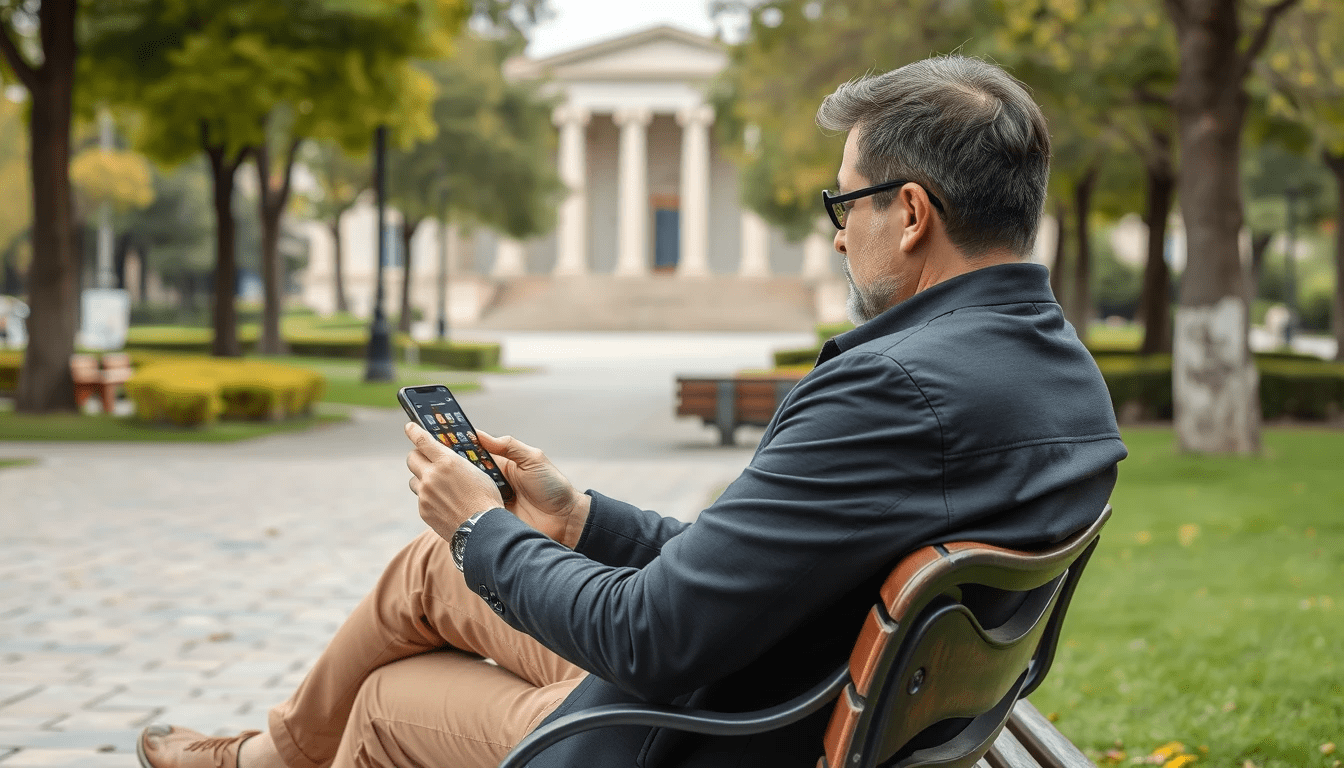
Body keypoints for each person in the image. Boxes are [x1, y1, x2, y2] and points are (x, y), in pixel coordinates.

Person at [136, 55, 1127, 768]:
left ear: (909, 214)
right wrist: (576, 519)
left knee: (399, 683)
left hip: (700, 731)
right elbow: (762, 561)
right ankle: (260, 756)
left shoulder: (891, 394)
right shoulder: (1058, 374)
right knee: (430, 568)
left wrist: (481, 523)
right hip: (784, 691)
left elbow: (652, 638)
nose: (834, 240)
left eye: (843, 207)